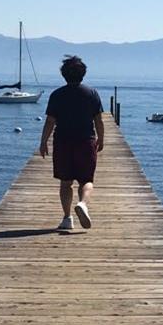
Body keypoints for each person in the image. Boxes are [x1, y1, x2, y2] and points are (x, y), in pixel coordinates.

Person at [38, 55, 104, 230]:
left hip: (63, 142)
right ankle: (83, 203)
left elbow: (50, 121)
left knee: (65, 182)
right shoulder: (91, 93)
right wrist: (101, 138)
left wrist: (43, 141)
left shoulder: (57, 95)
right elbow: (98, 120)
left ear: (64, 75)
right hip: (86, 141)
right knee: (86, 180)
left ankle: (67, 218)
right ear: (83, 74)